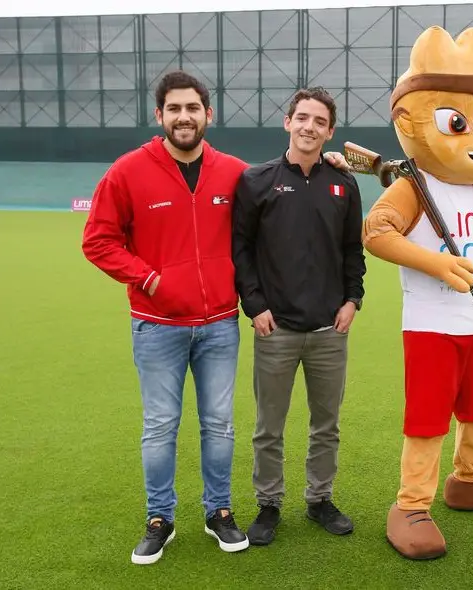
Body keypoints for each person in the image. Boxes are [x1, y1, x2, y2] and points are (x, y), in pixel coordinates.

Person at [81, 71, 350, 565]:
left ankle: (219, 512)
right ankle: (159, 519)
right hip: (157, 324)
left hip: (219, 325)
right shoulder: (127, 171)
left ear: (209, 114)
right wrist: (149, 279)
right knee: (160, 426)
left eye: (193, 108)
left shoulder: (236, 174)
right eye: (174, 109)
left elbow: (286, 188)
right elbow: (97, 240)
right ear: (159, 115)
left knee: (220, 425)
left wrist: (329, 162)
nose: (184, 117)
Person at [231, 87, 366, 546]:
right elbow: (241, 249)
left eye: (319, 121)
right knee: (269, 427)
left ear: (330, 131)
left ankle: (319, 499)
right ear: (288, 122)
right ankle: (268, 504)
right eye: (302, 117)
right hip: (276, 329)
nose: (310, 127)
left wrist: (353, 299)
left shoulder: (343, 183)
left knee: (326, 425)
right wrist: (255, 306)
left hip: (330, 329)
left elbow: (353, 250)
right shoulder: (257, 181)